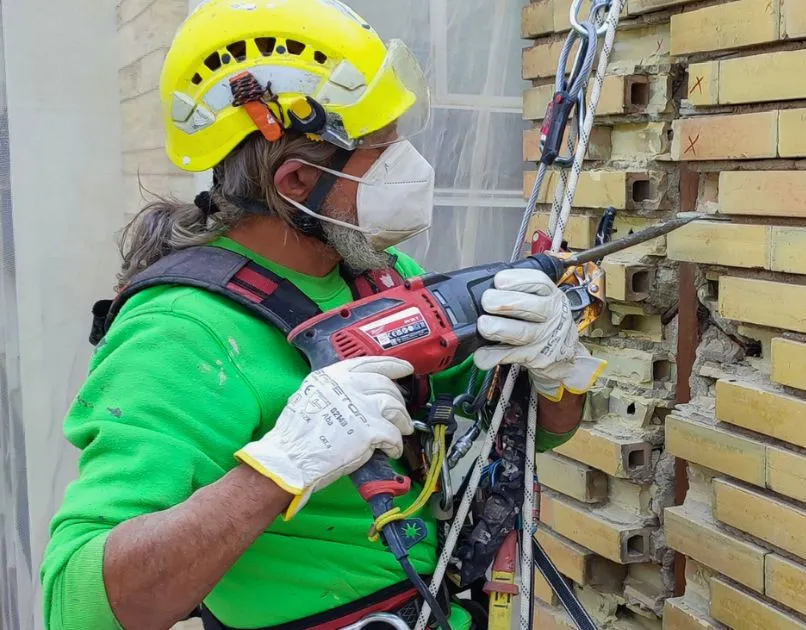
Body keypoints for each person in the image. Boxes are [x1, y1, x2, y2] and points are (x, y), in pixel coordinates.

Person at [39, 1, 606, 628]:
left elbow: (533, 430)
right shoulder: (183, 333)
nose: (410, 167)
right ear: (299, 184)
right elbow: (76, 604)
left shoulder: (380, 276)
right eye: (382, 149)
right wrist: (279, 469)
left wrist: (556, 370)